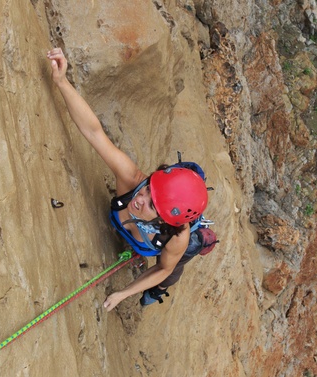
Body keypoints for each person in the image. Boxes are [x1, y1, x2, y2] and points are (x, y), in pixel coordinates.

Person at [47, 48, 209, 312]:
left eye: (150, 204)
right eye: (148, 189)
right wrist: (61, 81)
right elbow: (93, 132)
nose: (140, 199)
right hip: (151, 234)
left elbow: (162, 268)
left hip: (168, 249)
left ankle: (155, 295)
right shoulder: (131, 180)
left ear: (165, 220)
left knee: (170, 275)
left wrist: (124, 293)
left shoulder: (176, 238)